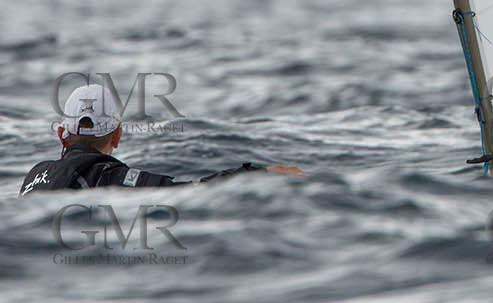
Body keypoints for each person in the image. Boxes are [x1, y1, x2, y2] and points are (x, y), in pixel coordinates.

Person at [19, 83, 303, 195]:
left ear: (61, 135)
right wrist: (258, 173)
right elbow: (188, 190)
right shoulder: (109, 177)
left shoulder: (35, 174)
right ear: (117, 135)